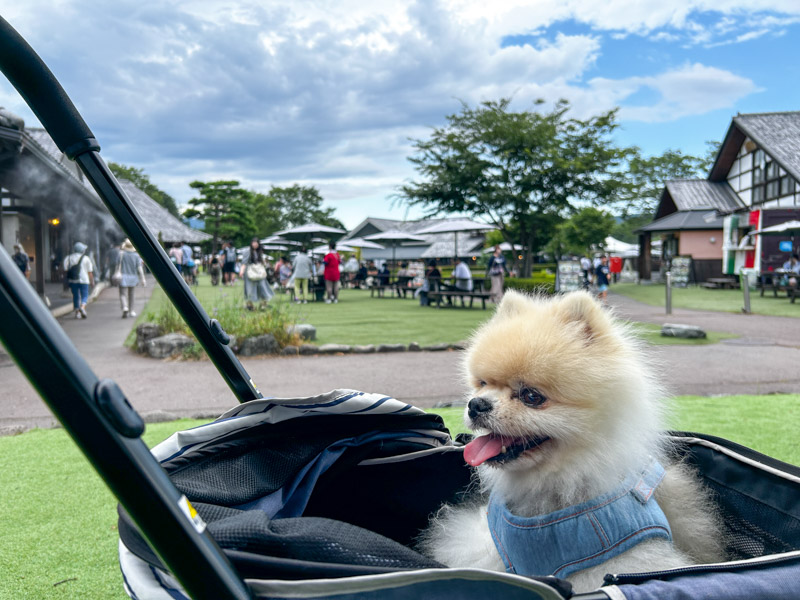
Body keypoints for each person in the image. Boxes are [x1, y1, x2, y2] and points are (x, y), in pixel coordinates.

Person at [63, 241, 94, 319]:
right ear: (82, 250)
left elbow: (65, 269)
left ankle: (77, 313)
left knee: (75, 296)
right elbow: (90, 272)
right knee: (85, 295)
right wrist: (92, 281)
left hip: (73, 280)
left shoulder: (68, 257)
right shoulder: (86, 258)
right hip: (84, 280)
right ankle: (82, 307)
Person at [242, 238, 274, 310]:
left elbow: (262, 262)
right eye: (253, 243)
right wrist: (241, 271)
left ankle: (263, 304)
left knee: (263, 287)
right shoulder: (247, 251)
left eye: (256, 243)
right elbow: (244, 263)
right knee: (250, 288)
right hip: (250, 272)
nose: (254, 244)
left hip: (259, 272)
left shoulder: (259, 252)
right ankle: (250, 305)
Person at [117, 239, 146, 318]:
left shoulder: (121, 254)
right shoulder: (136, 256)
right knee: (131, 295)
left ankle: (125, 307)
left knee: (123, 294)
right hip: (133, 277)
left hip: (123, 276)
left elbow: (117, 265)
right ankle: (131, 311)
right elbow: (139, 267)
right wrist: (143, 278)